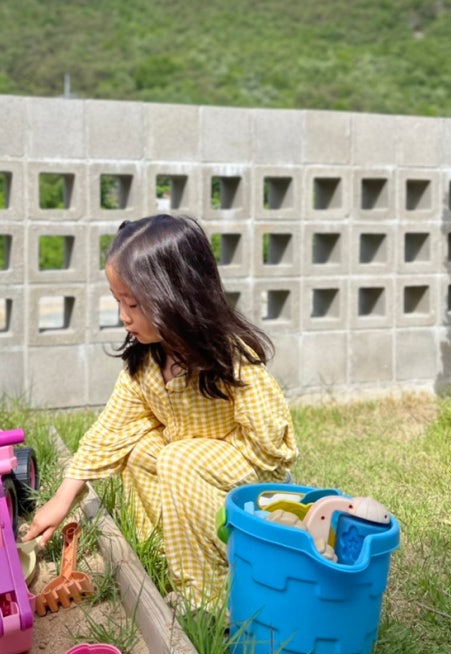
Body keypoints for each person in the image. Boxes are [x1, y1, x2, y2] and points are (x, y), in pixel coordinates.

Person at [23, 214, 298, 608]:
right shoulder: (148, 364)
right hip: (188, 475)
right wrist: (63, 499)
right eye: (118, 301)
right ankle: (175, 553)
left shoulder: (229, 360)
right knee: (138, 448)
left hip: (246, 477)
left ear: (176, 296)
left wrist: (218, 470)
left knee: (176, 458)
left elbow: (271, 449)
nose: (123, 316)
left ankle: (211, 598)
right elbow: (111, 430)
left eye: (132, 303)